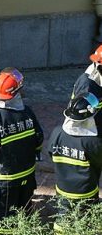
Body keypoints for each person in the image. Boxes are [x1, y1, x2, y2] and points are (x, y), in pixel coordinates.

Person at [0, 68, 44, 230]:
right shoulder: (28, 112)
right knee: (24, 210)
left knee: (4, 216)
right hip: (27, 174)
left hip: (5, 179)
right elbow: (39, 139)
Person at [47, 92, 102, 226]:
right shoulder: (93, 142)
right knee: (84, 225)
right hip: (86, 192)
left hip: (62, 190)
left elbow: (50, 153)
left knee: (62, 221)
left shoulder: (57, 132)